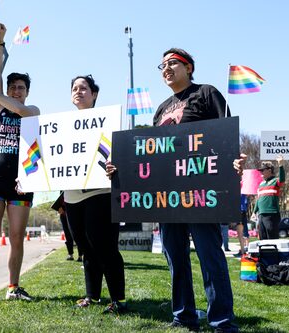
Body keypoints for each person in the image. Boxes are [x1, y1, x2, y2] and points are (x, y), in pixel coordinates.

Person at [121, 48, 244, 332]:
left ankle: (222, 321)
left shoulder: (206, 93)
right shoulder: (161, 109)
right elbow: (150, 154)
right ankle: (184, 316)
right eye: (162, 65)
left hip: (200, 191)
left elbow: (224, 135)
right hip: (167, 195)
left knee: (209, 255)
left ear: (189, 68)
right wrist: (124, 170)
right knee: (175, 257)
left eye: (173, 63)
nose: (166, 68)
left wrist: (232, 161)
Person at [0, 23, 40, 307]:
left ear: (26, 92)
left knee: (16, 237)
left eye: (20, 88)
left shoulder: (32, 111)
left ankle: (14, 286)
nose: (16, 91)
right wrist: (0, 42)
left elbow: (19, 108)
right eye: (12, 87)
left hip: (22, 181)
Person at [64, 75, 126, 313]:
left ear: (94, 94)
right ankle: (93, 296)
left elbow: (117, 150)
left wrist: (114, 162)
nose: (79, 91)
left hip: (100, 190)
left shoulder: (107, 121)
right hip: (72, 195)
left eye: (84, 88)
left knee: (104, 246)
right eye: (75, 88)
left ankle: (118, 299)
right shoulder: (61, 125)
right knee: (85, 247)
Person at [251, 156, 285, 240]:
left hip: (272, 214)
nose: (261, 172)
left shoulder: (275, 181)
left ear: (269, 170)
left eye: (263, 170)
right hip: (261, 215)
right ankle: (264, 253)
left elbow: (282, 179)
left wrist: (280, 165)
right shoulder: (261, 184)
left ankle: (273, 253)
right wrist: (254, 212)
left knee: (272, 237)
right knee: (262, 237)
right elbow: (258, 199)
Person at [51, 192, 83, 261]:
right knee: (67, 235)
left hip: (75, 211)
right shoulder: (62, 188)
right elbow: (60, 199)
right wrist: (59, 207)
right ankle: (70, 254)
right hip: (64, 214)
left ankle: (80, 255)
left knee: (78, 233)